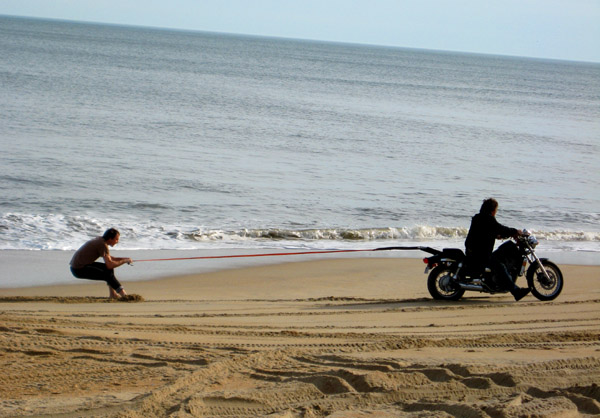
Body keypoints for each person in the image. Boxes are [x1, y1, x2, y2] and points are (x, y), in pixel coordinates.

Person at [465, 198, 531, 301]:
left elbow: (486, 232)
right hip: (480, 254)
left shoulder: (479, 218)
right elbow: (499, 228)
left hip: (475, 251)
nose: (496, 212)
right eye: (496, 210)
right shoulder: (488, 219)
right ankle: (516, 291)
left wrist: (498, 235)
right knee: (499, 265)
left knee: (500, 256)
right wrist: (515, 232)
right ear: (492, 210)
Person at [70, 228, 132, 299]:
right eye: (116, 239)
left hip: (79, 266)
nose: (117, 241)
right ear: (110, 239)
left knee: (108, 270)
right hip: (78, 269)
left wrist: (125, 259)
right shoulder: (102, 244)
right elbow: (110, 264)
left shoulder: (100, 240)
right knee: (107, 275)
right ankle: (124, 296)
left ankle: (113, 294)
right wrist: (124, 261)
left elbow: (110, 259)